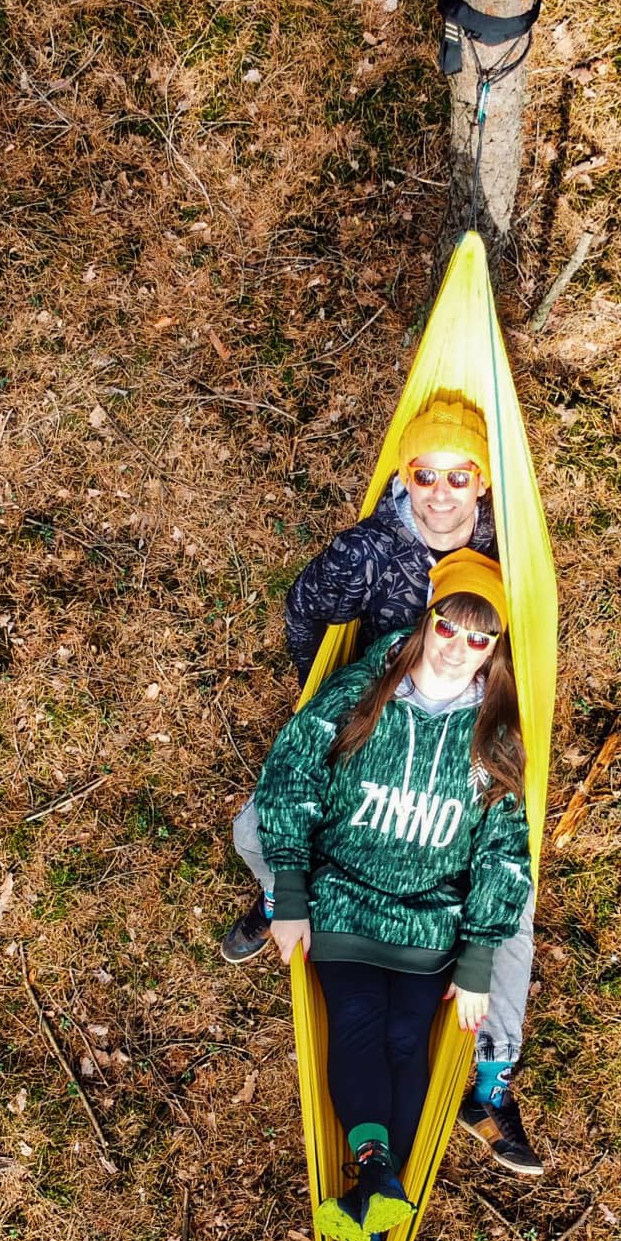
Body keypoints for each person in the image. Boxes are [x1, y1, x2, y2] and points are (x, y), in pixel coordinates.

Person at [220, 393, 547, 1176]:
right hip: (380, 720)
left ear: (482, 484)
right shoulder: (368, 551)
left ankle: (487, 1076)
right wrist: (330, 698)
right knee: (256, 827)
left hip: (463, 745)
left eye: (459, 477)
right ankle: (282, 895)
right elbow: (305, 613)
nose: (441, 494)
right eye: (425, 476)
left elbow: (515, 636)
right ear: (406, 479)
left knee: (510, 901)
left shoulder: (506, 550)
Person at [255, 552, 531, 1241]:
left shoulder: (495, 733)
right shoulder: (366, 688)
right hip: (345, 900)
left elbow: (503, 854)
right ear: (427, 620)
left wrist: (475, 962)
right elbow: (291, 774)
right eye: (450, 628)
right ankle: (379, 1174)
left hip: (430, 921)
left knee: (408, 1042)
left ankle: (378, 1192)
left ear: (494, 650)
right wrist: (288, 894)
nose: (459, 648)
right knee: (355, 1019)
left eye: (480, 639)